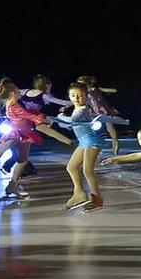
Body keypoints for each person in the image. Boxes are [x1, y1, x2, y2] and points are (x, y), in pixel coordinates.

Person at [0, 84, 72, 198]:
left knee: (23, 160)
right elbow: (29, 116)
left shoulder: (15, 103)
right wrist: (48, 120)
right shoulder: (14, 106)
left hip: (25, 134)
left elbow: (26, 114)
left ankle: (12, 186)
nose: (20, 92)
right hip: (14, 134)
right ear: (12, 93)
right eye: (17, 90)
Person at [53, 82, 127, 211]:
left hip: (92, 142)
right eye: (73, 95)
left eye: (80, 95)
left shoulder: (83, 110)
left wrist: (59, 118)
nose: (76, 98)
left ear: (86, 96)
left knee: (87, 171)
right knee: (71, 167)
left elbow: (70, 123)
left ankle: (97, 198)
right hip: (84, 142)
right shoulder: (76, 108)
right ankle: (79, 193)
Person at [76, 75, 122, 153]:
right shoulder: (82, 93)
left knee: (109, 127)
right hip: (92, 111)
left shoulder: (95, 89)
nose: (80, 86)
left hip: (103, 109)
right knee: (88, 127)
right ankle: (91, 143)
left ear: (88, 84)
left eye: (82, 84)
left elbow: (113, 90)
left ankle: (115, 142)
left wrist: (103, 90)